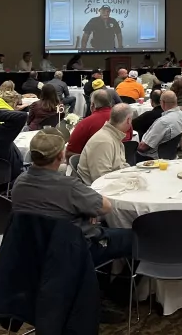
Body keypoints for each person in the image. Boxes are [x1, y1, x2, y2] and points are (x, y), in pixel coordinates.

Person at [11, 129, 133, 269]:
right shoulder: (69, 186)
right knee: (134, 237)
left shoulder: (19, 182)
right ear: (61, 156)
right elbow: (106, 206)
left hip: (34, 248)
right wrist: (87, 211)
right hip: (74, 249)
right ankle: (128, 278)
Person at [76, 104, 132, 184]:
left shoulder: (113, 136)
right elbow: (101, 179)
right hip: (95, 189)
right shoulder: (103, 141)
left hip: (112, 183)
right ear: (128, 120)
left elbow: (121, 166)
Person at [66, 89, 130, 157]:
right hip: (125, 160)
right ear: (111, 103)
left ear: (92, 105)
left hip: (95, 161)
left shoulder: (85, 124)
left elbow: (69, 153)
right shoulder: (125, 120)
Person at [138, 91, 182, 160]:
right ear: (176, 101)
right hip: (173, 154)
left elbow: (143, 147)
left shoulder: (163, 122)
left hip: (154, 158)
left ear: (162, 103)